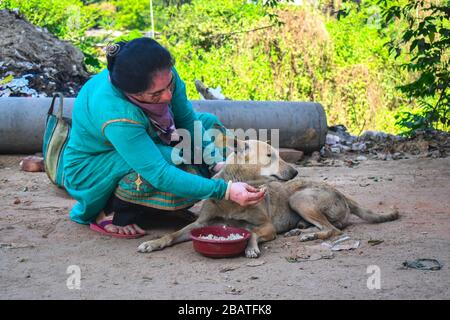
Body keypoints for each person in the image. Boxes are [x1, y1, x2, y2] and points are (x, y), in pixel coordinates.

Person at [63, 37, 265, 238]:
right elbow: (160, 173)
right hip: (92, 166)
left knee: (210, 126)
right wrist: (225, 191)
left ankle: (173, 199)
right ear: (130, 94)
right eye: (156, 95)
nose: (168, 96)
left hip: (149, 138)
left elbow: (186, 119)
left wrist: (215, 162)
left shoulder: (162, 74)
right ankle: (110, 211)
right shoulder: (115, 113)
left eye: (169, 86)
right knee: (172, 159)